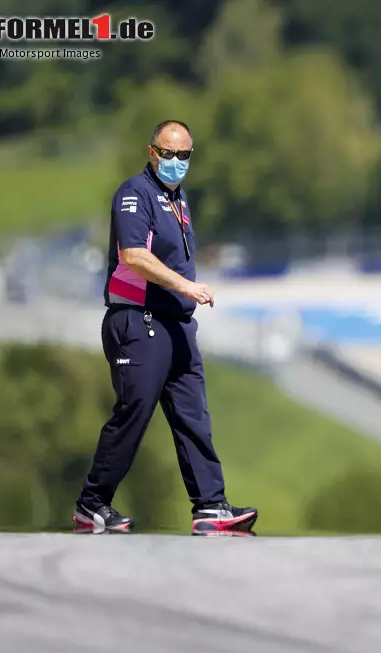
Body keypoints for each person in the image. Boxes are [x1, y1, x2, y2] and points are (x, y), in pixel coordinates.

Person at [74, 120, 258, 535]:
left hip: (177, 326)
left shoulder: (178, 199)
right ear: (153, 151)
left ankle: (211, 506)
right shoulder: (134, 194)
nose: (176, 162)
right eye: (169, 153)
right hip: (139, 321)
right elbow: (135, 256)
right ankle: (93, 503)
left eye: (184, 155)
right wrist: (186, 286)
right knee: (134, 413)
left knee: (194, 417)